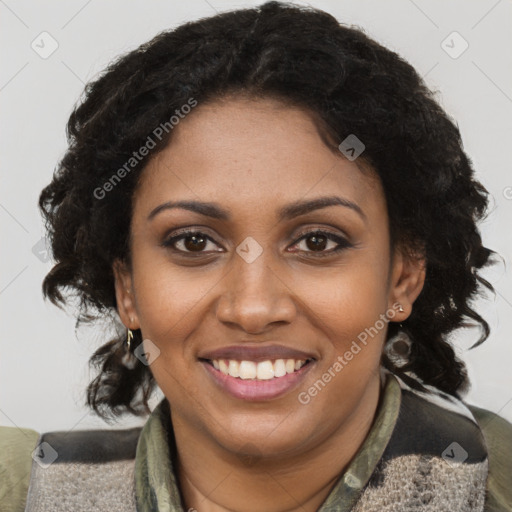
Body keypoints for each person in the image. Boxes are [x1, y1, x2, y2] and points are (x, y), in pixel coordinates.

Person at [1, 2, 511, 511]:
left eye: (317, 241)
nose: (252, 309)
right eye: (193, 242)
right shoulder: (19, 490)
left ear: (402, 276)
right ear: (127, 287)